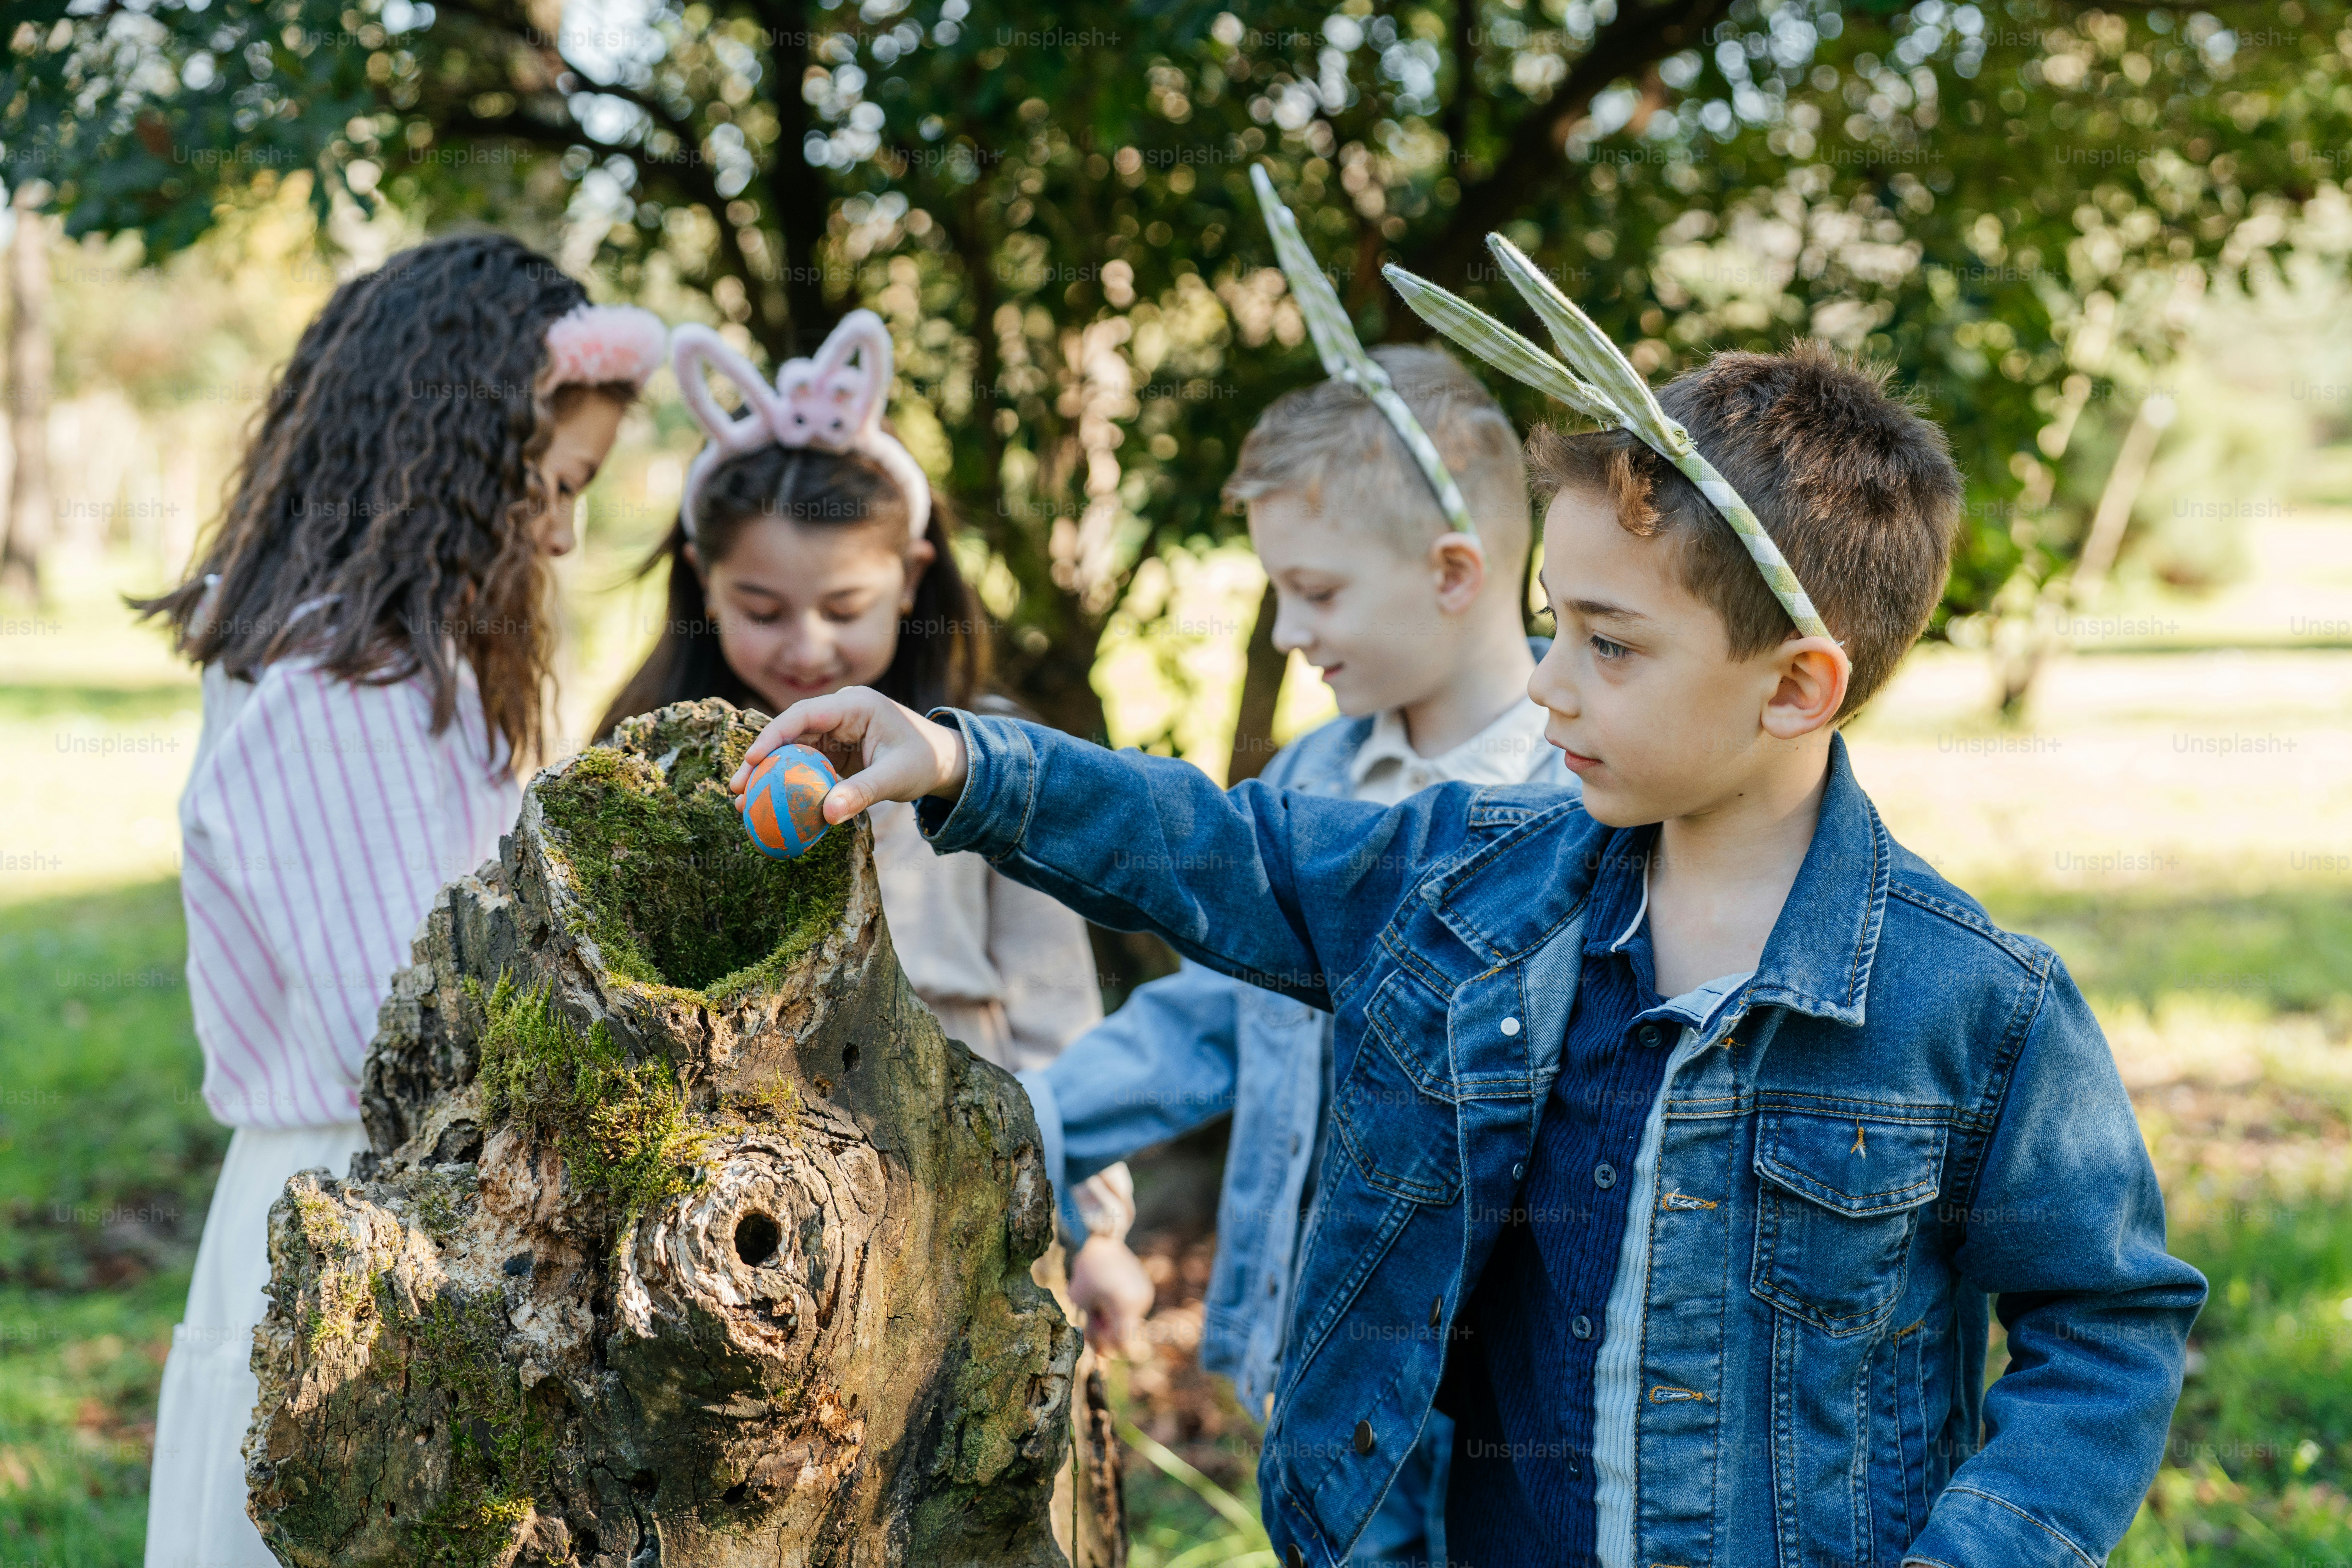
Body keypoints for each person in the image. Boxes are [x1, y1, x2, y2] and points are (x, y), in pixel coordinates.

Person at [726, 288, 2207, 1564]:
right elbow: (1230, 847)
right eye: (1554, 622)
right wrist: (969, 762)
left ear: (1796, 687)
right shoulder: (1470, 880)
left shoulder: (1973, 1005)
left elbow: (2106, 1322)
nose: (1552, 682)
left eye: (1611, 643)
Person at [131, 236, 664, 1567]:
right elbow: (414, 1038)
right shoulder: (350, 694)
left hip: (391, 1199)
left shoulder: (374, 668)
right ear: (452, 459)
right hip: (375, 1219)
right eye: (550, 484)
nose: (561, 528)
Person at [1031, 337, 1570, 1567]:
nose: (1285, 629)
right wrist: (1031, 1118)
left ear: (1452, 573)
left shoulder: (1584, 795)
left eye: (1316, 592)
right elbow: (1206, 1022)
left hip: (1506, 1397)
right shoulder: (1312, 786)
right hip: (1325, 1371)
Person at [595, 308, 1134, 1192]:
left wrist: (1096, 1216)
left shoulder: (982, 752)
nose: (807, 647)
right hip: (730, 1185)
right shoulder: (648, 759)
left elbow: (1055, 997)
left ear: (912, 576)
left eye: (844, 607)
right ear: (702, 578)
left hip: (961, 1166)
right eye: (763, 611)